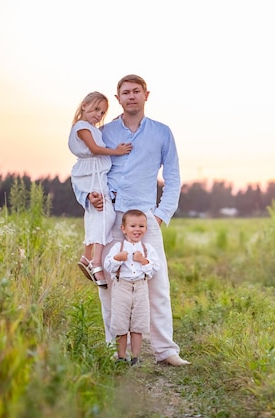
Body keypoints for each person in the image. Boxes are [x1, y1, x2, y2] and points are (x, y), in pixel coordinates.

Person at [73, 75, 190, 366]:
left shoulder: (162, 133)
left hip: (146, 218)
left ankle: (166, 351)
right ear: (118, 99)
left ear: (146, 95)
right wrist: (88, 196)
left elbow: (173, 178)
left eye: (136, 91)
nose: (131, 96)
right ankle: (114, 349)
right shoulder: (104, 132)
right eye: (125, 92)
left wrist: (161, 216)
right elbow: (84, 168)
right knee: (111, 285)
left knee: (158, 283)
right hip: (111, 216)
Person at [68, 91, 132, 287]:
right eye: (96, 109)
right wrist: (117, 151)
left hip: (97, 174)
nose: (98, 115)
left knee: (96, 215)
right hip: (92, 174)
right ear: (84, 105)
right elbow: (95, 149)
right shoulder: (81, 126)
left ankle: (87, 257)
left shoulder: (92, 128)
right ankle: (96, 262)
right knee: (106, 215)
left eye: (102, 112)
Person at [104, 209, 160, 365]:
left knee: (138, 324)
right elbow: (109, 266)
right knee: (120, 324)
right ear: (123, 229)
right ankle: (121, 357)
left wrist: (143, 260)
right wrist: (117, 258)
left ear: (146, 229)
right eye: (133, 226)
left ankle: (135, 357)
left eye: (141, 226)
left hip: (141, 287)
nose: (137, 229)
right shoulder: (118, 247)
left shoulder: (148, 249)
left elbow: (154, 269)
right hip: (122, 287)